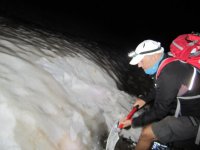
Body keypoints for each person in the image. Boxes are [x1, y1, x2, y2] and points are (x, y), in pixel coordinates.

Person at [119, 39, 200, 150]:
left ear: (154, 56)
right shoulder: (168, 61)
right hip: (187, 109)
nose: (138, 65)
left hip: (195, 118)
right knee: (157, 128)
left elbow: (160, 111)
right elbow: (160, 86)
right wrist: (145, 99)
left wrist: (133, 121)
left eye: (141, 61)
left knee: (147, 133)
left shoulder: (168, 74)